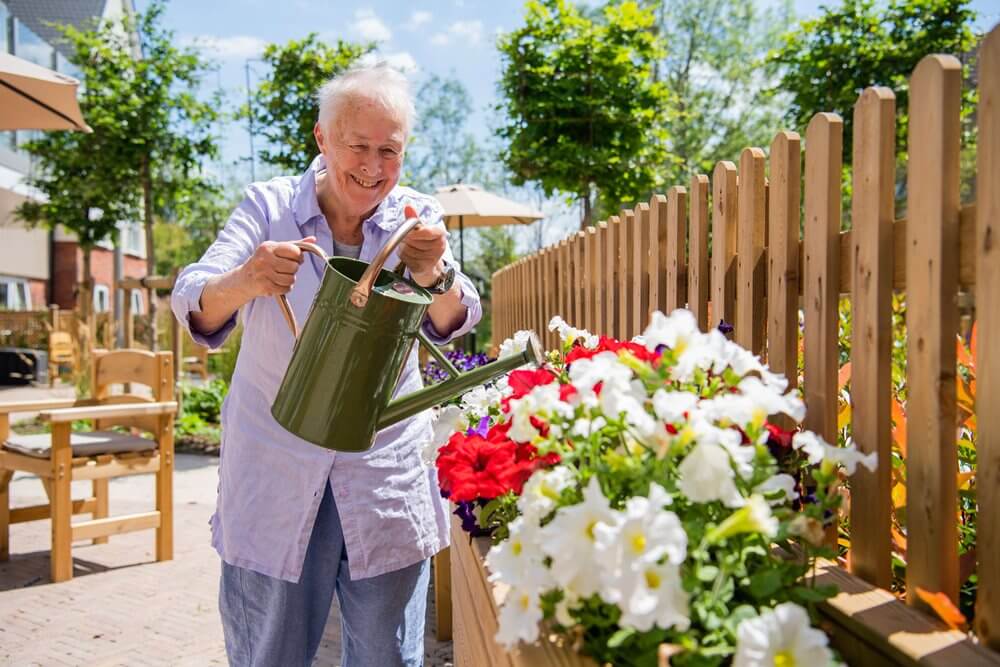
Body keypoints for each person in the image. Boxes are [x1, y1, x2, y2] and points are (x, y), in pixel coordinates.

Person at [170, 62, 481, 667]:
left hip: (382, 476)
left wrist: (432, 272)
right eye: (357, 145)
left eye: (388, 150)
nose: (372, 166)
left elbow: (457, 316)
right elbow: (194, 298)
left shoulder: (416, 219)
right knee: (269, 654)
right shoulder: (269, 207)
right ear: (322, 138)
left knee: (387, 657)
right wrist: (245, 280)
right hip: (276, 472)